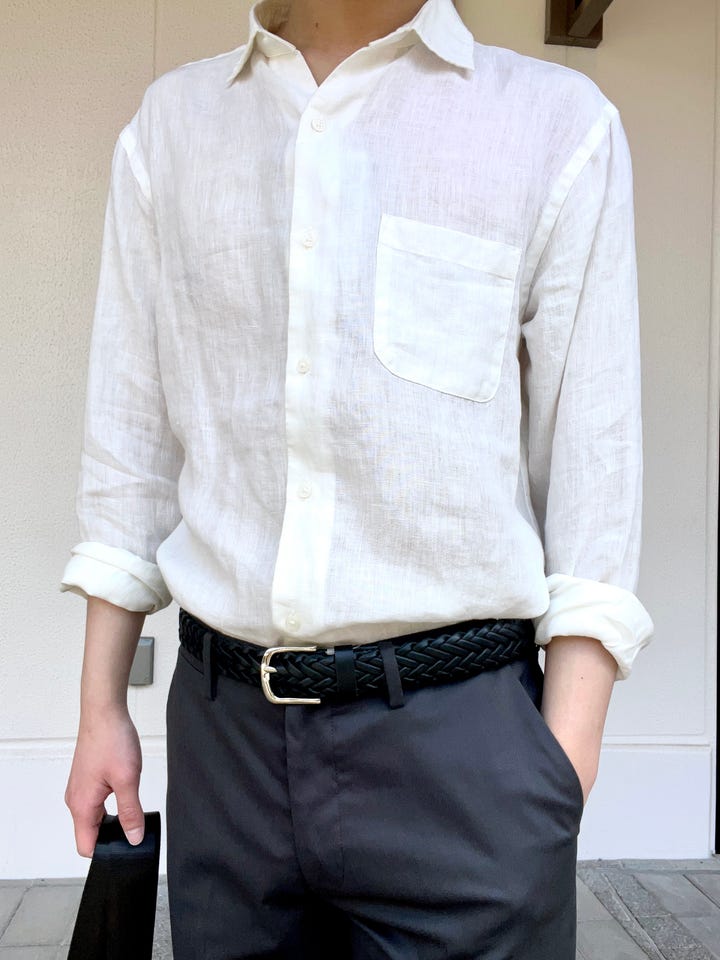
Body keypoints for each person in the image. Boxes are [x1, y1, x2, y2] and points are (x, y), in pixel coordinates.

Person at [61, 0, 655, 957]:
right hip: (225, 746)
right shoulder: (171, 128)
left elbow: (597, 478)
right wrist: (100, 708)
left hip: (463, 748)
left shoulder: (554, 124)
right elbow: (129, 446)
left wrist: (559, 772)